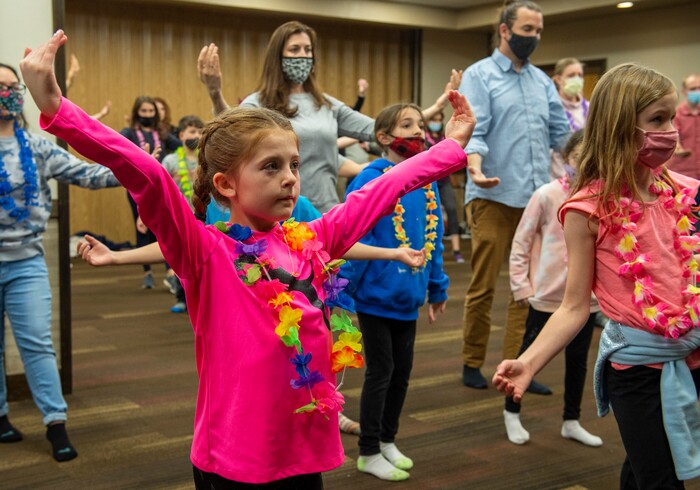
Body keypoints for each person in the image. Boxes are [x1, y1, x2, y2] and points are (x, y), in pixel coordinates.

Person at [21, 30, 474, 487]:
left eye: (294, 165)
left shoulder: (311, 238)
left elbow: (384, 189)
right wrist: (59, 111)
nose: (290, 179)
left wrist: (448, 149)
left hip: (301, 450)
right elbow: (149, 176)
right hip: (234, 457)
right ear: (226, 185)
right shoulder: (205, 250)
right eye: (271, 166)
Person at [494, 63, 700, 489]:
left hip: (693, 355)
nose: (671, 131)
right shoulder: (588, 208)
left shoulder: (685, 193)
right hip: (637, 368)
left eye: (671, 119)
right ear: (622, 127)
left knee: (644, 465)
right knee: (659, 476)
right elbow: (573, 306)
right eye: (657, 121)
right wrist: (529, 363)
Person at [0, 61, 120, 462]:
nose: (6, 93)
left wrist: (131, 166)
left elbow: (84, 174)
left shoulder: (36, 146)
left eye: (10, 85)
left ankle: (55, 424)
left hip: (26, 262)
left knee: (37, 342)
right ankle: (0, 417)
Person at [458, 0, 570, 390]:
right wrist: (474, 166)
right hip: (492, 196)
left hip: (535, 200)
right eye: (527, 30)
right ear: (505, 30)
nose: (534, 37)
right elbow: (477, 130)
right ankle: (472, 361)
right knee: (484, 286)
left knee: (529, 290)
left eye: (538, 31)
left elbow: (561, 134)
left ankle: (521, 364)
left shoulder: (541, 82)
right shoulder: (480, 75)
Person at [341, 102, 449, 482]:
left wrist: (436, 287)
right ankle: (368, 450)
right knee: (381, 372)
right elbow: (354, 236)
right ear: (385, 137)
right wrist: (343, 296)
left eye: (420, 124)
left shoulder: (426, 181)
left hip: (409, 296)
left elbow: (431, 242)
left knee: (402, 373)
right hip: (374, 296)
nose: (418, 132)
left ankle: (387, 439)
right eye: (407, 125)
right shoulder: (370, 178)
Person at [198, 20, 375, 213]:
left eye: (308, 50)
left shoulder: (326, 104)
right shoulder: (260, 101)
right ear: (278, 57)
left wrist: (406, 130)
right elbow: (230, 130)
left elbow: (376, 129)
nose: (303, 56)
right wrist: (215, 92)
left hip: (327, 210)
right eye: (295, 49)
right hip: (282, 212)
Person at [505, 130, 602, 447]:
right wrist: (521, 286)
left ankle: (571, 420)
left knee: (578, 362)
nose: (584, 164)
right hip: (545, 295)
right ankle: (512, 412)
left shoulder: (600, 197)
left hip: (584, 299)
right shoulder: (546, 194)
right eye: (578, 158)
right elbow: (521, 241)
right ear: (566, 159)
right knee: (528, 355)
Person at [120, 95, 180, 289]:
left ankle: (170, 271)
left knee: (162, 228)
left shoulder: (161, 133)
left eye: (150, 111)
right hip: (136, 188)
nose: (147, 115)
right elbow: (118, 146)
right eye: (143, 111)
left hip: (160, 187)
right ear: (137, 112)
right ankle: (147, 272)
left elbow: (181, 146)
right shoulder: (129, 132)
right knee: (141, 228)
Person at [161, 115, 205, 312]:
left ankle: (202, 299)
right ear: (181, 135)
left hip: (202, 214)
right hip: (178, 215)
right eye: (191, 131)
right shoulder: (170, 160)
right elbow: (160, 188)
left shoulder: (206, 159)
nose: (195, 135)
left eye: (199, 132)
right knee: (179, 258)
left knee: (200, 258)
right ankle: (181, 297)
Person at [426, 110, 465, 263]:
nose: (435, 122)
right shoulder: (424, 138)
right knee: (429, 213)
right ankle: (430, 249)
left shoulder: (446, 138)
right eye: (433, 119)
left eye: (438, 120)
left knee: (452, 210)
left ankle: (456, 250)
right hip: (429, 181)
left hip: (444, 180)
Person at [550, 57, 588, 179]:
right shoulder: (552, 110)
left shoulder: (591, 108)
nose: (577, 79)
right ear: (558, 79)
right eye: (571, 75)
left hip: (586, 176)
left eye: (580, 75)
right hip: (559, 177)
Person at [668, 73, 700, 181]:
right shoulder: (675, 114)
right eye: (693, 89)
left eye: (699, 88)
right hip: (683, 176)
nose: (697, 91)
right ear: (684, 91)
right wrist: (677, 148)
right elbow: (673, 137)